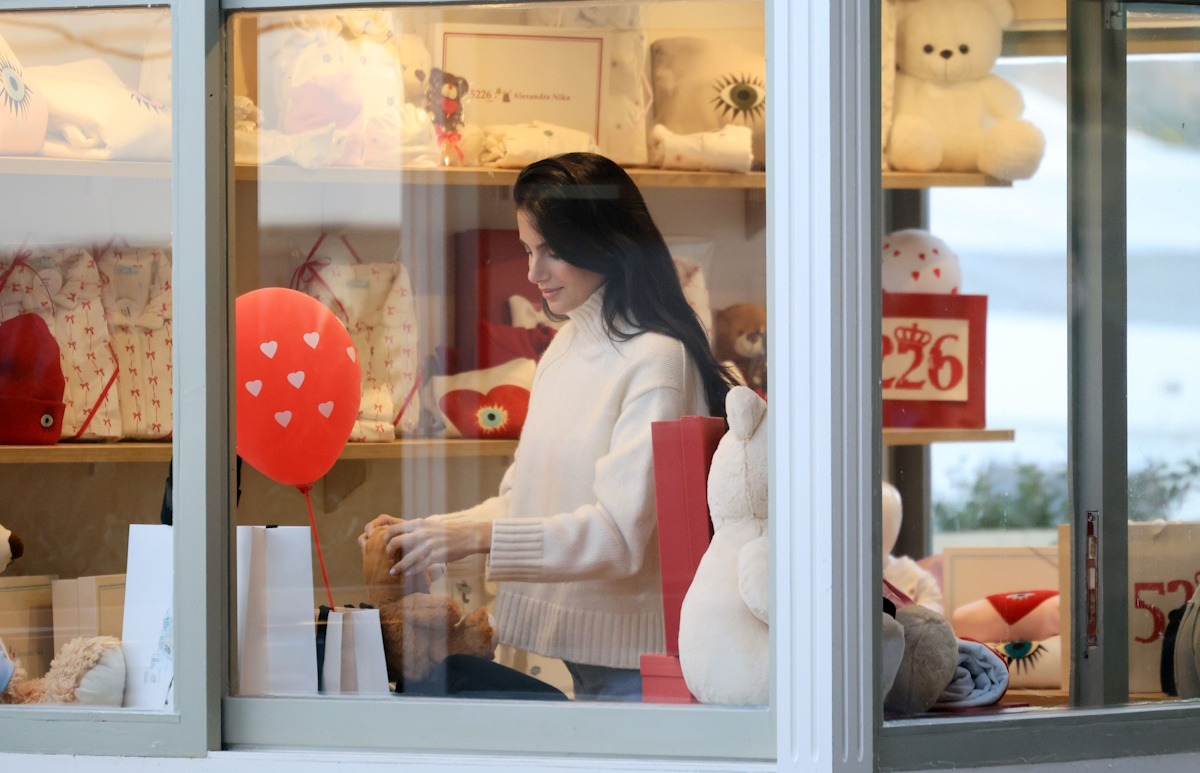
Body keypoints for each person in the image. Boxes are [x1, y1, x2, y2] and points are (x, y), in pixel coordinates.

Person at [360, 152, 737, 701]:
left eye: (552, 252)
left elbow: (617, 537)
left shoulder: (656, 359)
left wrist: (470, 537)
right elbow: (524, 500)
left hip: (640, 671)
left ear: (605, 242)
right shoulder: (563, 348)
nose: (534, 273)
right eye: (527, 250)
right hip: (580, 659)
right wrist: (429, 533)